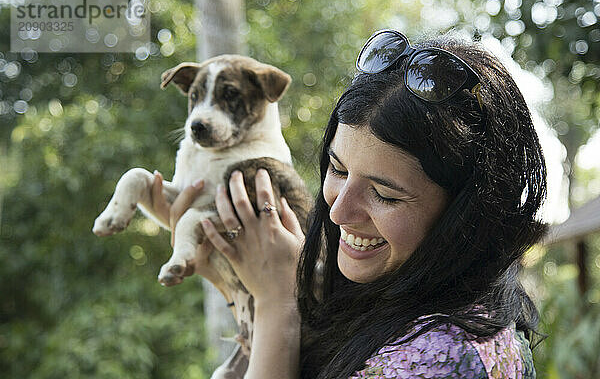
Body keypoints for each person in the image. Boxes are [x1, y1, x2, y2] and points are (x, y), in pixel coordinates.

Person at [152, 30, 547, 378]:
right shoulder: (387, 296)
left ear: (469, 212)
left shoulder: (440, 358)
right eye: (338, 170)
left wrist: (277, 302)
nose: (339, 212)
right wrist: (233, 277)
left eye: (385, 194)